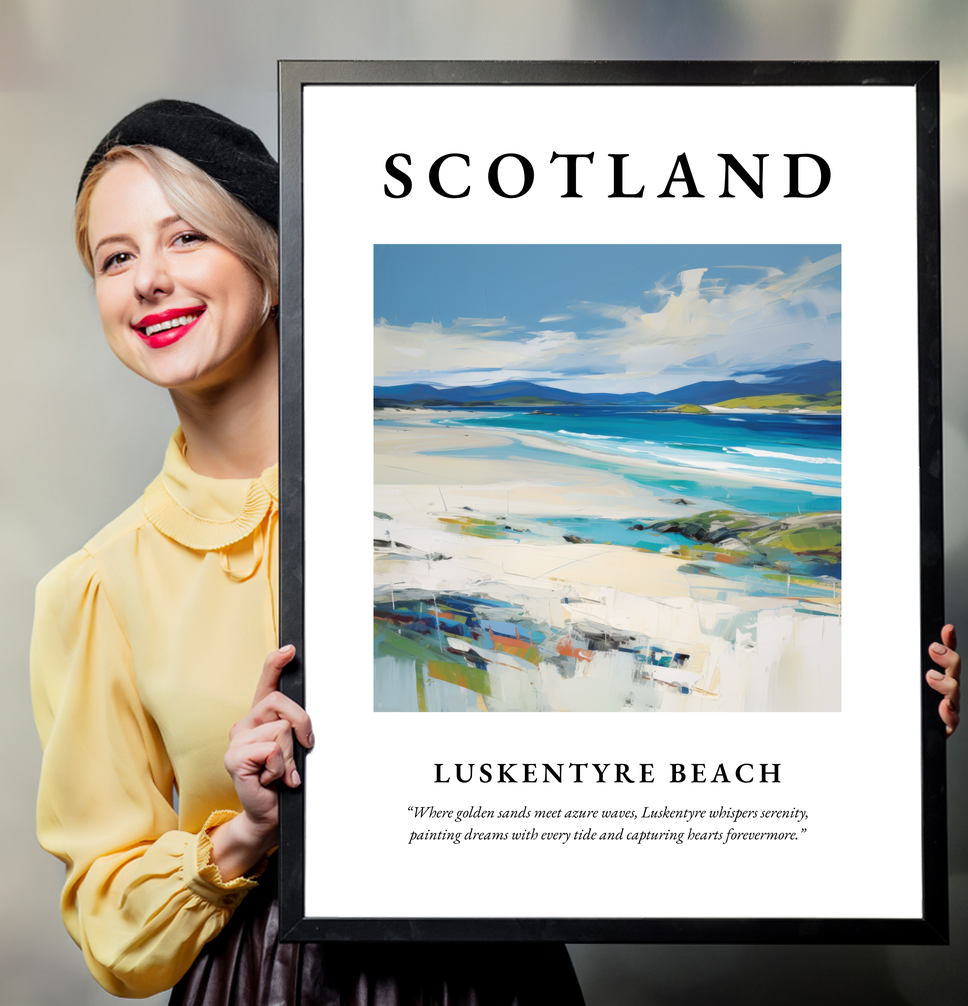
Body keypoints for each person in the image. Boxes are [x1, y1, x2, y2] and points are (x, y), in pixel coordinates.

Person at [30, 100, 585, 1004]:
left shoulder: (448, 499)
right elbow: (110, 923)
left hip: (493, 973)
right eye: (116, 257)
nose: (148, 281)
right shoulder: (97, 587)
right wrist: (245, 832)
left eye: (186, 239)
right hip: (263, 982)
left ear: (273, 264)